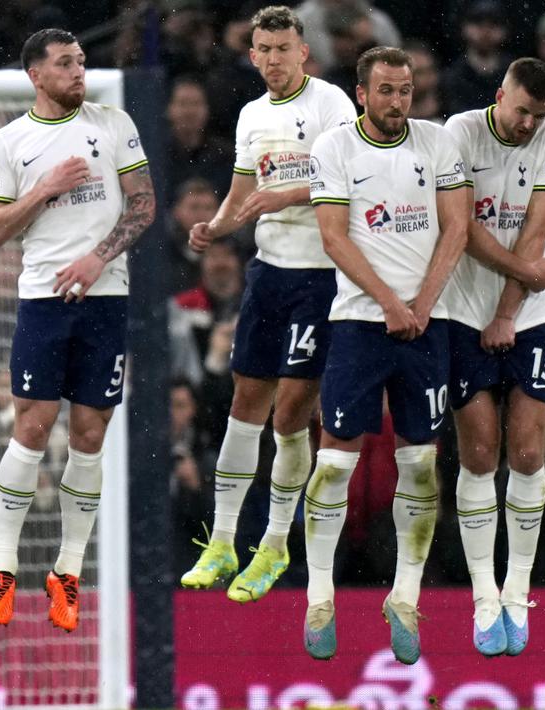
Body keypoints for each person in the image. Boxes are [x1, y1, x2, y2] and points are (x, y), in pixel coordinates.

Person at [178, 5, 357, 603]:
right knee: (244, 404)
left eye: (285, 48)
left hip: (322, 275)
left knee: (290, 417)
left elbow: (346, 179)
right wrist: (216, 225)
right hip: (269, 275)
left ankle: (276, 544)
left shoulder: (331, 105)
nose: (274, 59)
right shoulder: (251, 115)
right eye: (264, 49)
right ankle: (224, 540)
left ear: (302, 52)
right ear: (251, 55)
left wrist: (279, 196)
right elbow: (241, 192)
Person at [0, 28, 155, 632]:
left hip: (105, 297)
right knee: (31, 426)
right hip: (43, 298)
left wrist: (98, 258)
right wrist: (46, 189)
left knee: (90, 432)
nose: (78, 71)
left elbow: (143, 204)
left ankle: (68, 571)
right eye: (64, 64)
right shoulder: (10, 141)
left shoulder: (113, 123)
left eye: (81, 61)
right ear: (36, 75)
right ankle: (2, 567)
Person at [301, 45, 467, 665]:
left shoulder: (437, 144)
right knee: (335, 465)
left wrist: (421, 303)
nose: (399, 101)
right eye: (387, 90)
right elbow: (333, 236)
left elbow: (455, 228)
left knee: (421, 466)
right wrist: (390, 304)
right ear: (362, 92)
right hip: (359, 324)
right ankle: (320, 595)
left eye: (406, 89)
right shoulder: (336, 148)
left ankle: (404, 594)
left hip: (429, 324)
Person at [439, 56, 545, 657]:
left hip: (534, 314)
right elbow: (462, 227)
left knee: (525, 449)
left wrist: (509, 310)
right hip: (463, 310)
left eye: (538, 114)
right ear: (500, 95)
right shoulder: (459, 133)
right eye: (521, 111)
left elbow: (537, 227)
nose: (528, 124)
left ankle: (516, 591)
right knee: (478, 452)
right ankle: (483, 596)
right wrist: (516, 282)